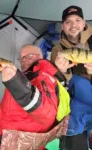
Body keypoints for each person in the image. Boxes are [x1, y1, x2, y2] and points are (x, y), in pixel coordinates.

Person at [51, 5, 92, 150]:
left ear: (83, 23)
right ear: (63, 26)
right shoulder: (57, 50)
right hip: (78, 99)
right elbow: (58, 86)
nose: (73, 25)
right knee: (70, 124)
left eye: (77, 20)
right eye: (68, 21)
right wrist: (62, 73)